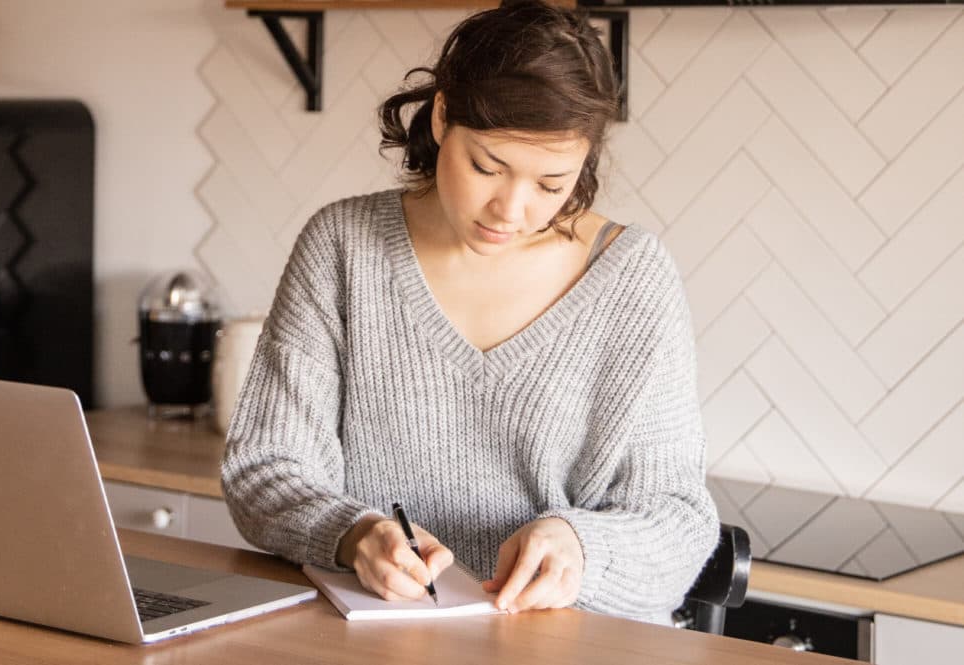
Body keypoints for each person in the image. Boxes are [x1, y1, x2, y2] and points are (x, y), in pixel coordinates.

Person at [221, 0, 718, 626]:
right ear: (440, 116)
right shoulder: (343, 246)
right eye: (488, 166)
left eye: (551, 184)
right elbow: (264, 468)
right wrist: (353, 533)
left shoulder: (633, 278)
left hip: (562, 643)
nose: (511, 209)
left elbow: (679, 518)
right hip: (373, 641)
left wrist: (582, 546)